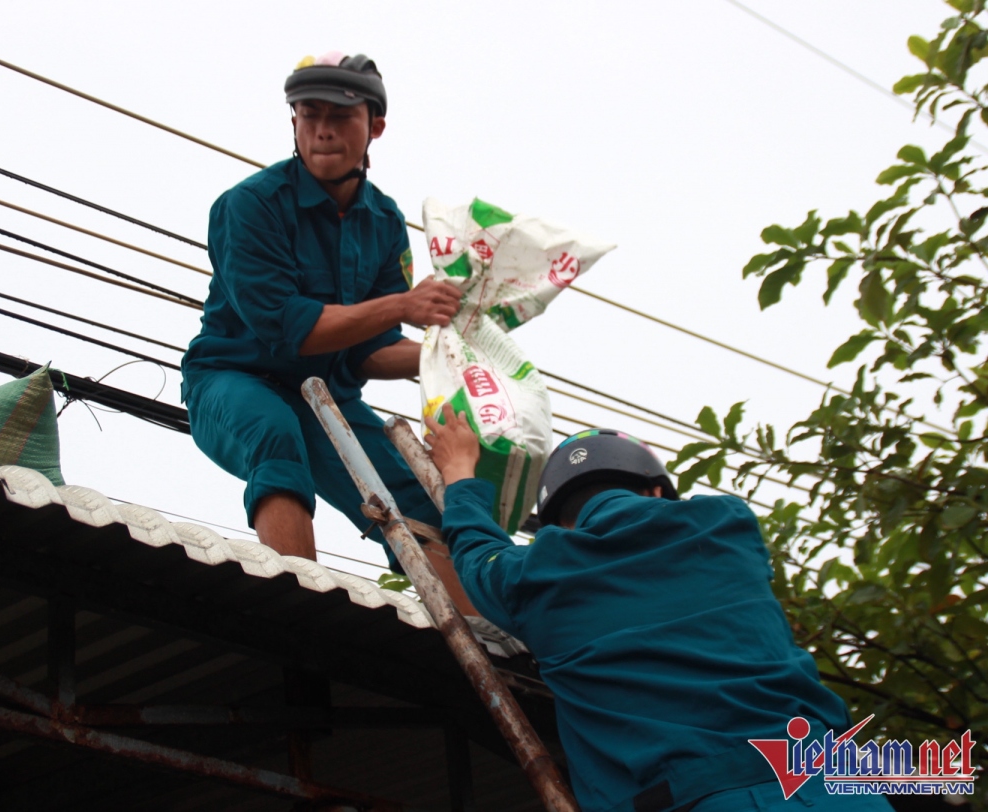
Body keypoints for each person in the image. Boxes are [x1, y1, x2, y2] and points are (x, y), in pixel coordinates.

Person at [424, 405, 893, 811]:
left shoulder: (533, 577)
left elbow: (476, 553)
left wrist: (460, 471)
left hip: (682, 800)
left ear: (561, 524)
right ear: (654, 490)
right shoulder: (730, 525)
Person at [181, 52, 473, 607]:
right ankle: (299, 609)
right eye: (307, 114)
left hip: (328, 398)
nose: (321, 130)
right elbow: (289, 330)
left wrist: (453, 355)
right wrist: (402, 306)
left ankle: (487, 639)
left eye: (339, 116)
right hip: (233, 378)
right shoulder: (250, 206)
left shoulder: (384, 222)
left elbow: (369, 353)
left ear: (375, 127)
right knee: (275, 434)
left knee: (410, 490)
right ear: (293, 121)